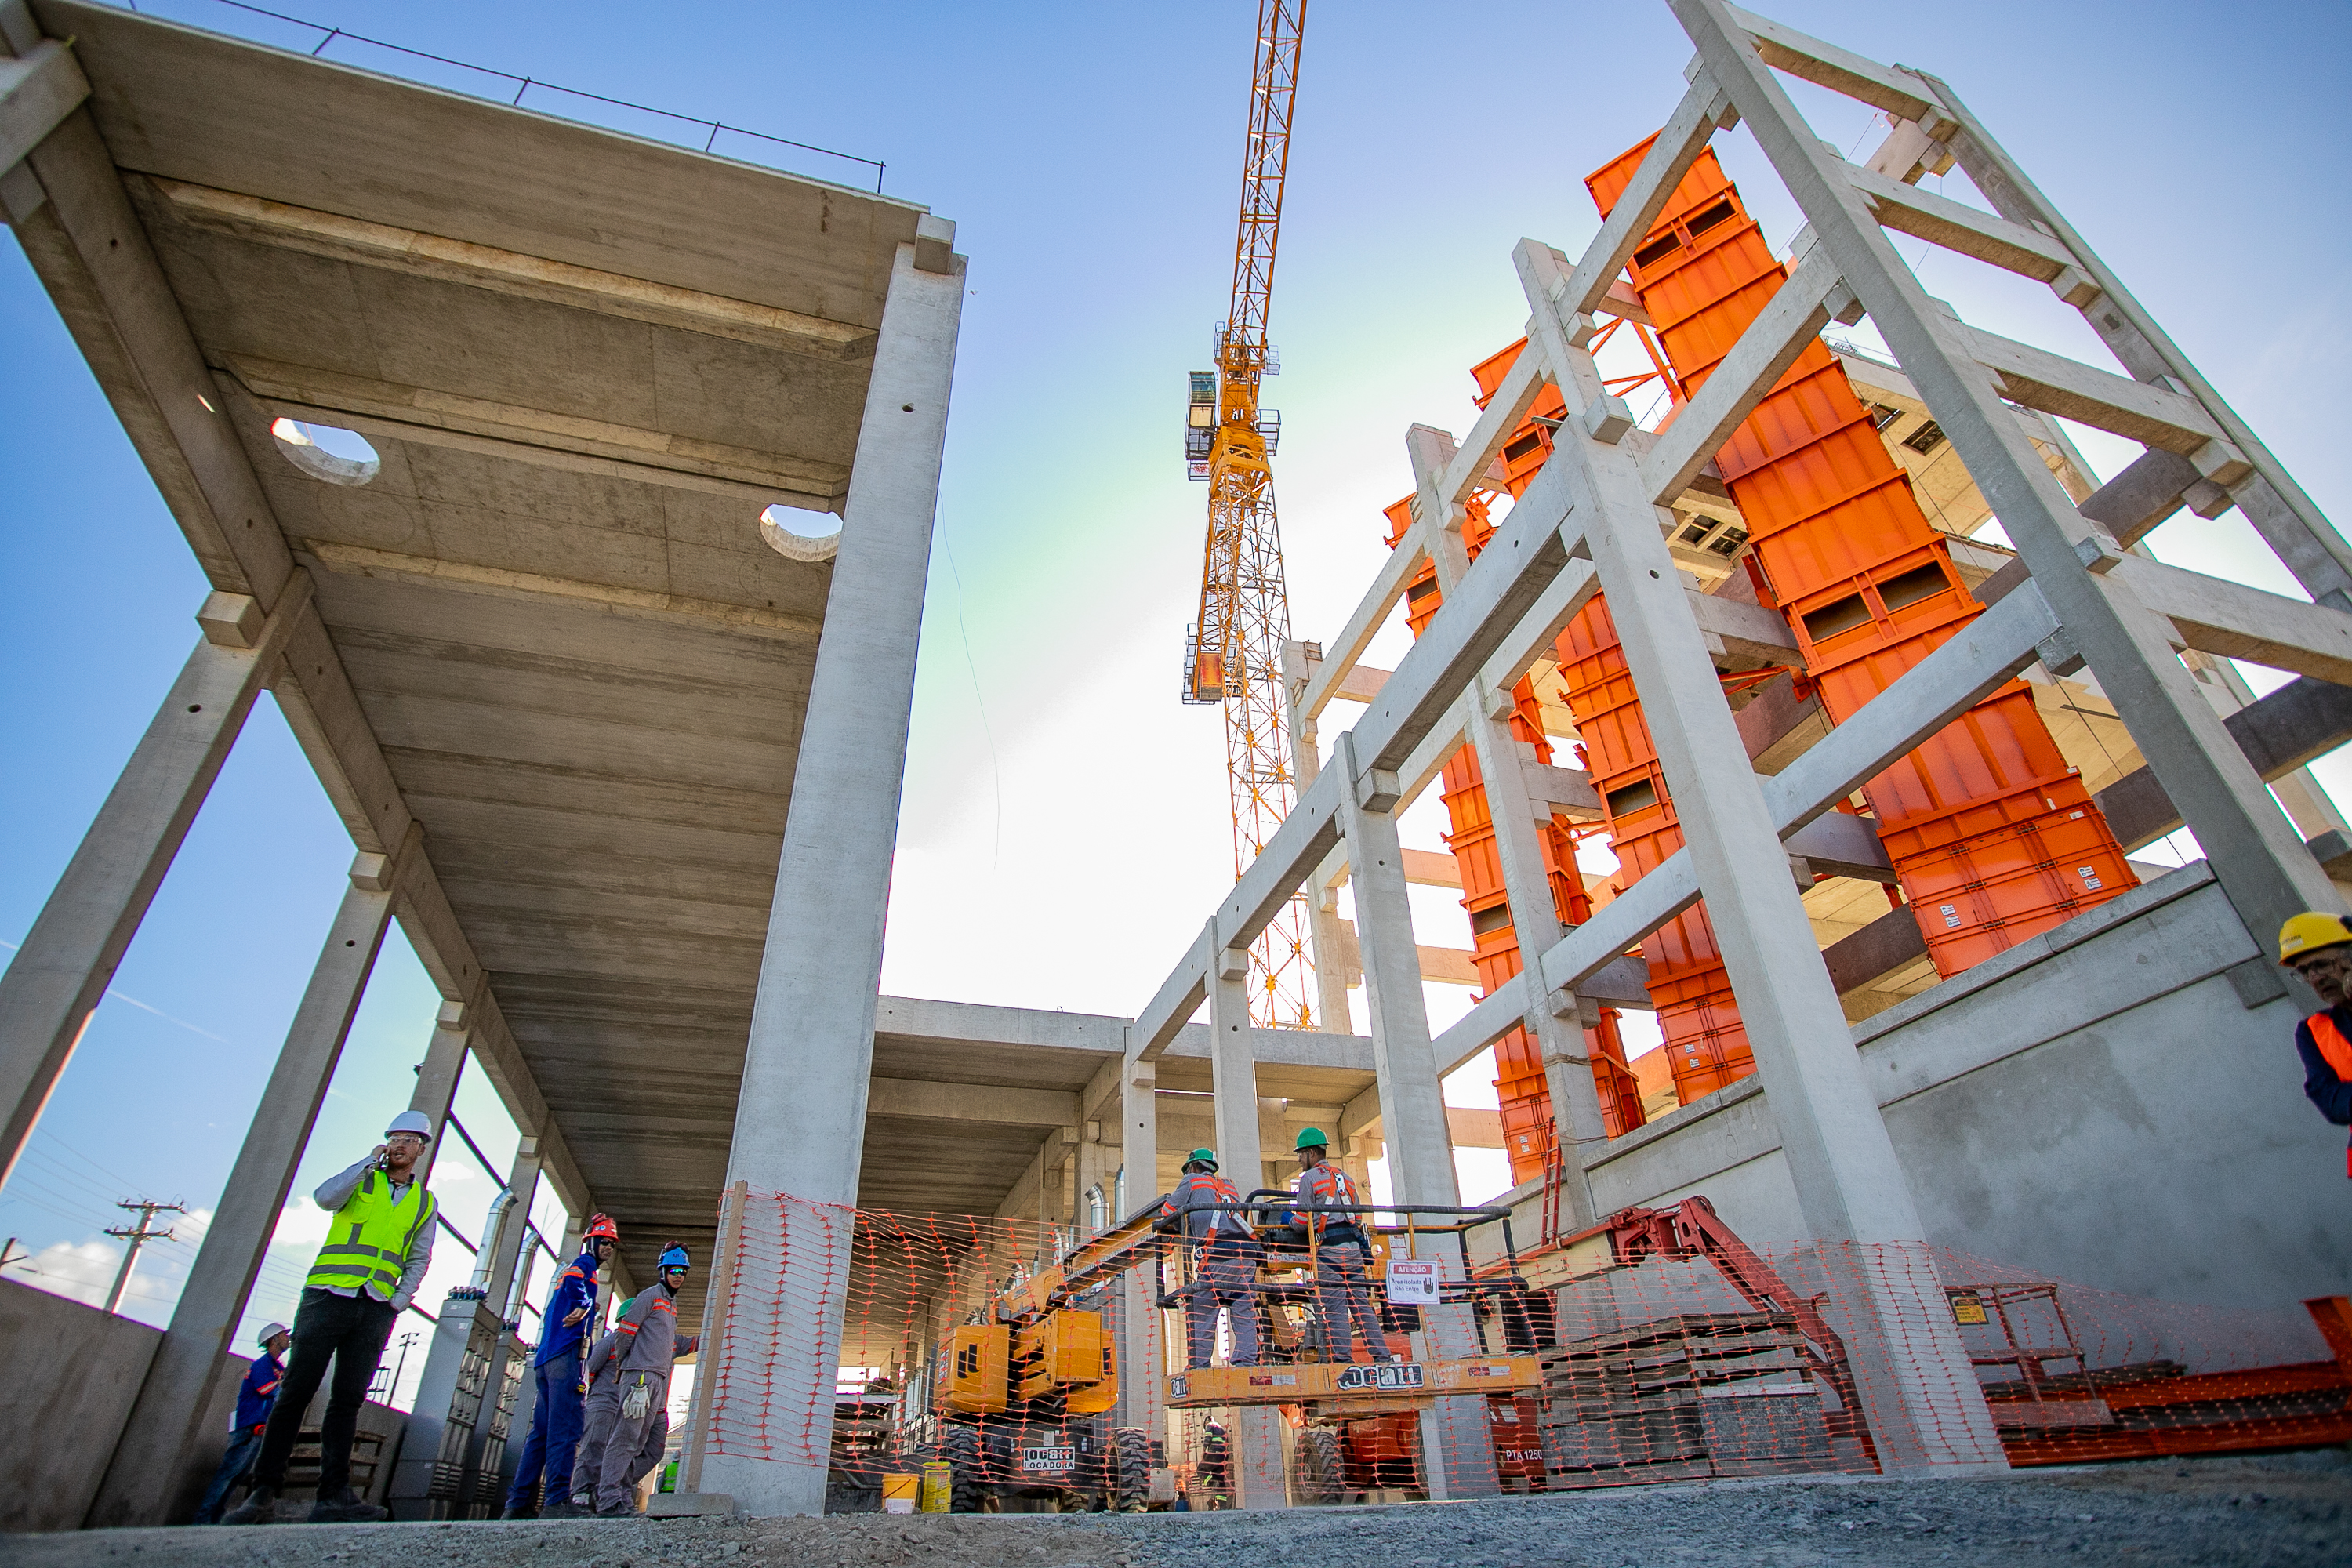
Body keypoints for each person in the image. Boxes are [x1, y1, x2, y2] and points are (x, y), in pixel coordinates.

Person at [225, 1110, 437, 1526]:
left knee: (347, 1400)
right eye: (394, 1138)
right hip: (327, 1298)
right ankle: (262, 1494)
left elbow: (419, 1257)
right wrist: (367, 1162)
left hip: (375, 1307)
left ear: (421, 1150)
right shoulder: (363, 1180)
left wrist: (398, 1301)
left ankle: (334, 1497)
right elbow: (325, 1198)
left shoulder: (424, 1202)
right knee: (295, 1392)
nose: (400, 1145)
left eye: (409, 1140)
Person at [505, 1213, 619, 1519]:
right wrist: (584, 1304)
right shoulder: (584, 1266)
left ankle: (518, 1504)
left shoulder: (580, 1272)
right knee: (566, 1429)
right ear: (590, 1241)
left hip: (547, 1359)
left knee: (541, 1433)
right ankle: (556, 1500)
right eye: (603, 1241)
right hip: (566, 1357)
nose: (608, 1247)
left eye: (612, 1243)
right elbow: (573, 1280)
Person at [579, 1243, 699, 1517]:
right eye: (674, 1271)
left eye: (682, 1272)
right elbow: (625, 1334)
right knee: (624, 1438)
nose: (678, 1276)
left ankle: (621, 1496)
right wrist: (627, 1369)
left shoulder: (670, 1306)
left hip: (656, 1379)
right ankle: (607, 1499)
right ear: (663, 1271)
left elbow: (677, 1342)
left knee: (637, 1442)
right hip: (640, 1378)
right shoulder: (650, 1297)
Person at [1288, 1128, 1392, 1363]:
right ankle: (1382, 1357)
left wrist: (1290, 1221)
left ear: (1311, 1153)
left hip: (1330, 1252)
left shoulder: (1309, 1179)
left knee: (1335, 1310)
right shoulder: (1346, 1178)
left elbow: (1303, 1222)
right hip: (1354, 1250)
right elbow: (1357, 1217)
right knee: (1362, 1307)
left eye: (1301, 1154)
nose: (1299, 1159)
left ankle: (1343, 1361)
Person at [1154, 1148, 1261, 1369]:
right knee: (1244, 1309)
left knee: (1202, 1306)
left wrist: (1183, 1226)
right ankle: (1247, 1362)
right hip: (1245, 1255)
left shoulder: (1191, 1181)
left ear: (1193, 1167)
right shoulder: (1228, 1185)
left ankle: (1200, 1364)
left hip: (1217, 1256)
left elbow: (1167, 1212)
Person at [193, 1322, 289, 1524]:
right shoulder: (262, 1365)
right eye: (283, 1335)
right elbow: (268, 1391)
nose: (287, 1338)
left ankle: (215, 1520)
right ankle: (203, 1521)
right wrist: (285, 1384)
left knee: (236, 1478)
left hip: (258, 1430)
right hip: (248, 1429)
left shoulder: (277, 1367)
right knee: (227, 1475)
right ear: (273, 1340)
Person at [2281, 913, 2352, 1177]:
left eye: (2322, 964)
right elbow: (2330, 1100)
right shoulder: (2312, 1031)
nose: (2315, 978)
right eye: (2304, 971)